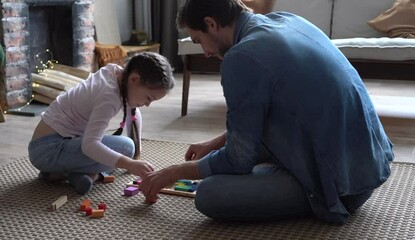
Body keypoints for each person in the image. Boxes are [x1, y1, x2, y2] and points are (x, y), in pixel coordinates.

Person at [139, 0, 395, 224]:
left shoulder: (241, 57)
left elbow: (238, 160)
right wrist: (215, 143)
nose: (205, 51)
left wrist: (173, 172)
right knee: (232, 158)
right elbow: (279, 112)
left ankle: (315, 197)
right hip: (371, 166)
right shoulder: (288, 20)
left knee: (210, 194)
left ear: (211, 23)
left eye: (199, 40)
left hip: (342, 188)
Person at [28, 52, 175, 195]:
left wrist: (137, 156)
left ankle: (65, 174)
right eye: (149, 98)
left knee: (124, 151)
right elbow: (90, 145)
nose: (148, 104)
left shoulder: (119, 75)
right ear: (134, 80)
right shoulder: (108, 95)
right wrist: (130, 163)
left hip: (54, 145)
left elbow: (133, 112)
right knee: (125, 148)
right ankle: (85, 174)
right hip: (48, 150)